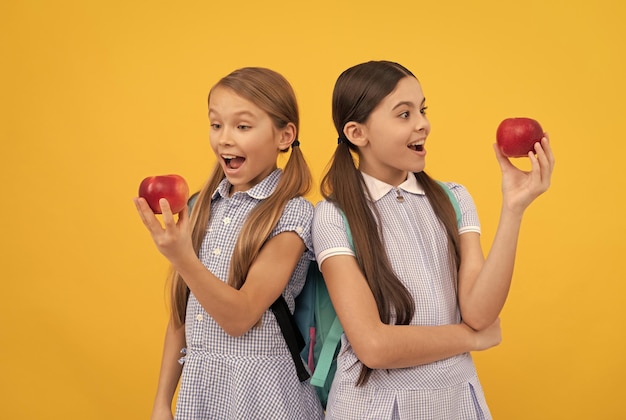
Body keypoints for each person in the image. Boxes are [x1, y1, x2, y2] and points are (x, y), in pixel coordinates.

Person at [312, 60, 555, 419]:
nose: (422, 123)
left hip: (455, 401)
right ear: (357, 133)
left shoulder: (454, 198)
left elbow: (479, 312)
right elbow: (374, 346)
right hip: (373, 409)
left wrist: (513, 209)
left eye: (422, 110)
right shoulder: (333, 215)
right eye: (404, 114)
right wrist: (470, 339)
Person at [134, 67, 324, 420]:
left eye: (242, 126)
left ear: (285, 136)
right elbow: (182, 313)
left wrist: (181, 257)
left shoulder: (292, 214)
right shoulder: (199, 206)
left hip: (263, 389)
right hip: (203, 385)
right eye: (216, 124)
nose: (224, 139)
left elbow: (241, 316)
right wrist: (162, 401)